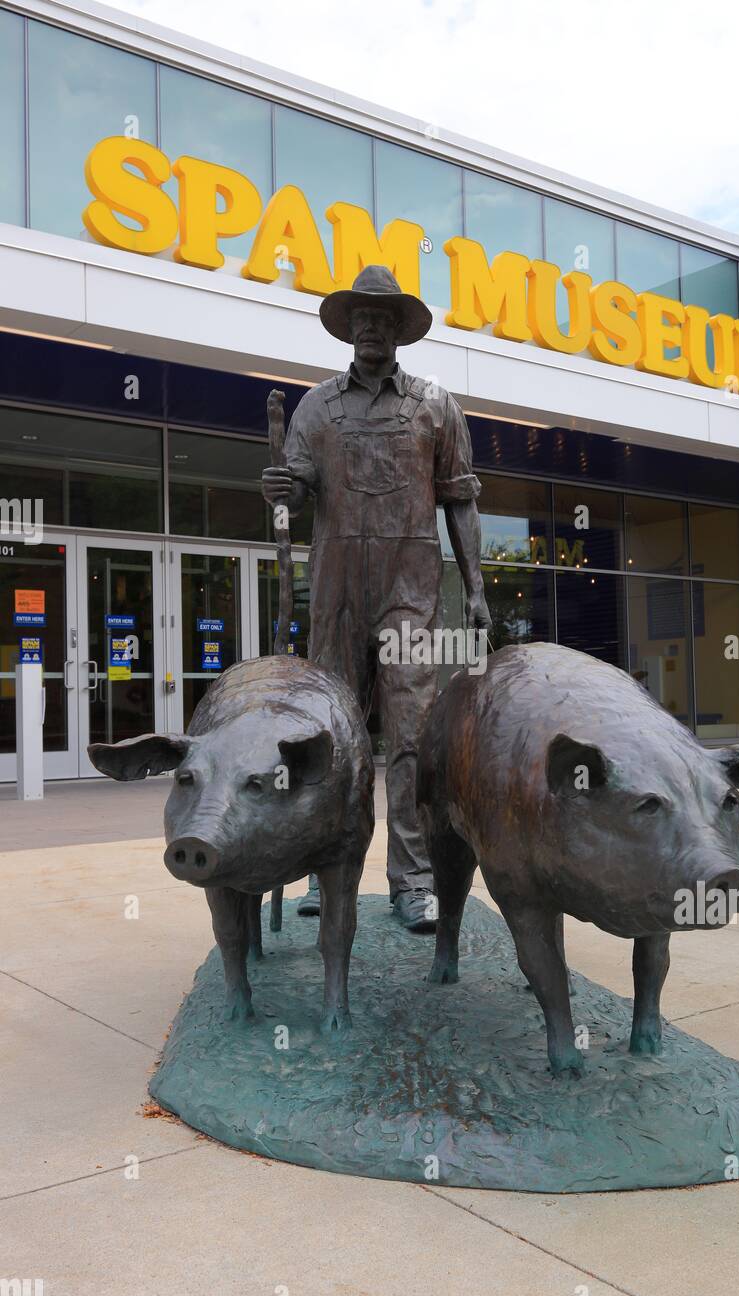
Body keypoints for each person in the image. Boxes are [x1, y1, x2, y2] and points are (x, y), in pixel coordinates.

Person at [262, 265, 490, 930]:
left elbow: (463, 503)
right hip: (335, 591)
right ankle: (321, 868)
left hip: (410, 590)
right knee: (329, 735)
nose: (369, 326)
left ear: (398, 330)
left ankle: (413, 878)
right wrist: (281, 491)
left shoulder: (434, 404)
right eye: (360, 316)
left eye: (381, 317)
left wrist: (475, 588)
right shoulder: (316, 405)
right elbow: (296, 488)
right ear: (349, 327)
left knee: (413, 735)